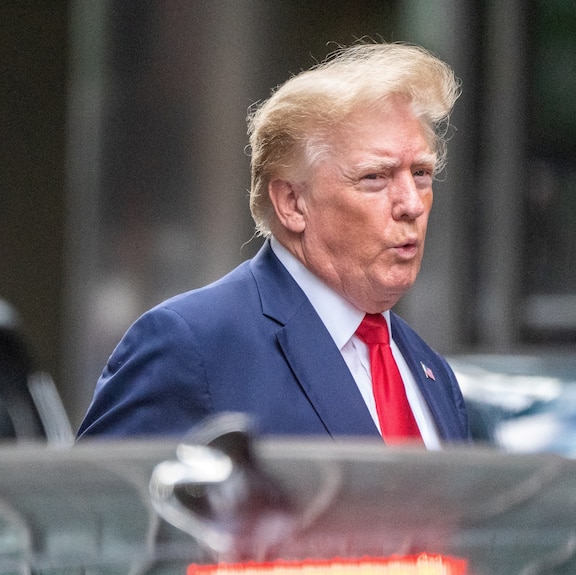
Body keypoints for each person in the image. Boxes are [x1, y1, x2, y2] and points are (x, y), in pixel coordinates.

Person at [76, 42, 470, 448]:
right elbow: (96, 506)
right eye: (375, 177)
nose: (410, 203)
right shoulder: (191, 345)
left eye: (421, 173)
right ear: (291, 203)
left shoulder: (431, 371)